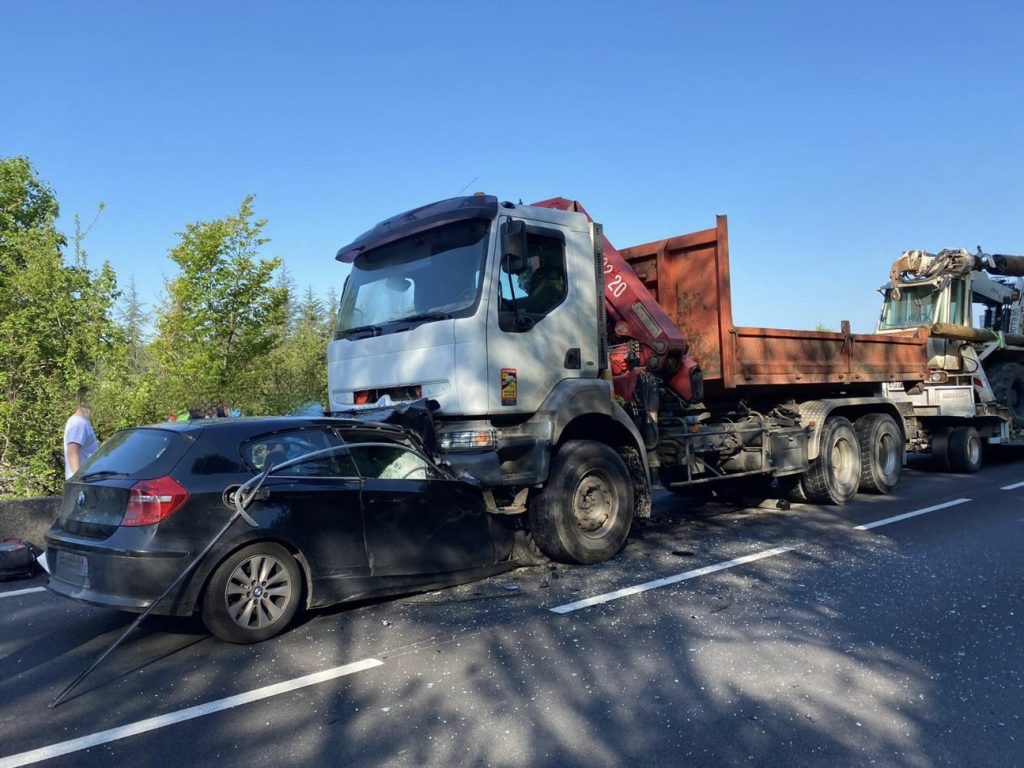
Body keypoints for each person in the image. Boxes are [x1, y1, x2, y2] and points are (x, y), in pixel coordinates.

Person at [64, 386, 99, 479]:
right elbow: (72, 452)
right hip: (82, 484)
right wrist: (79, 480)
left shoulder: (84, 422)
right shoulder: (78, 423)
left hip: (88, 481)